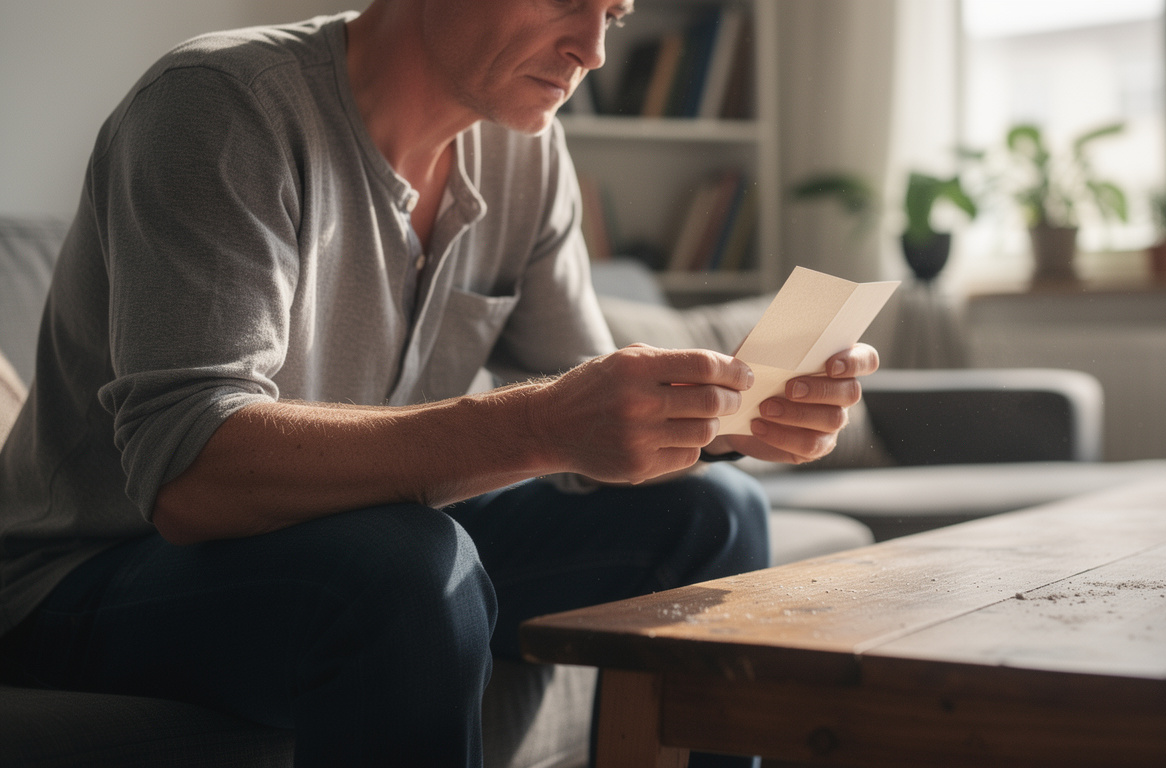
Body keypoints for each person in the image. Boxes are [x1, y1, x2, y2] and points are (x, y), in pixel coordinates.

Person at [0, 1, 879, 765]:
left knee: (714, 514)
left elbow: (578, 427)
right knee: (407, 567)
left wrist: (723, 421)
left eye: (611, 14)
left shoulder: (527, 155)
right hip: (95, 569)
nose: (594, 51)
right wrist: (545, 424)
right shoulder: (221, 106)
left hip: (355, 532)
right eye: (566, 0)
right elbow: (192, 476)